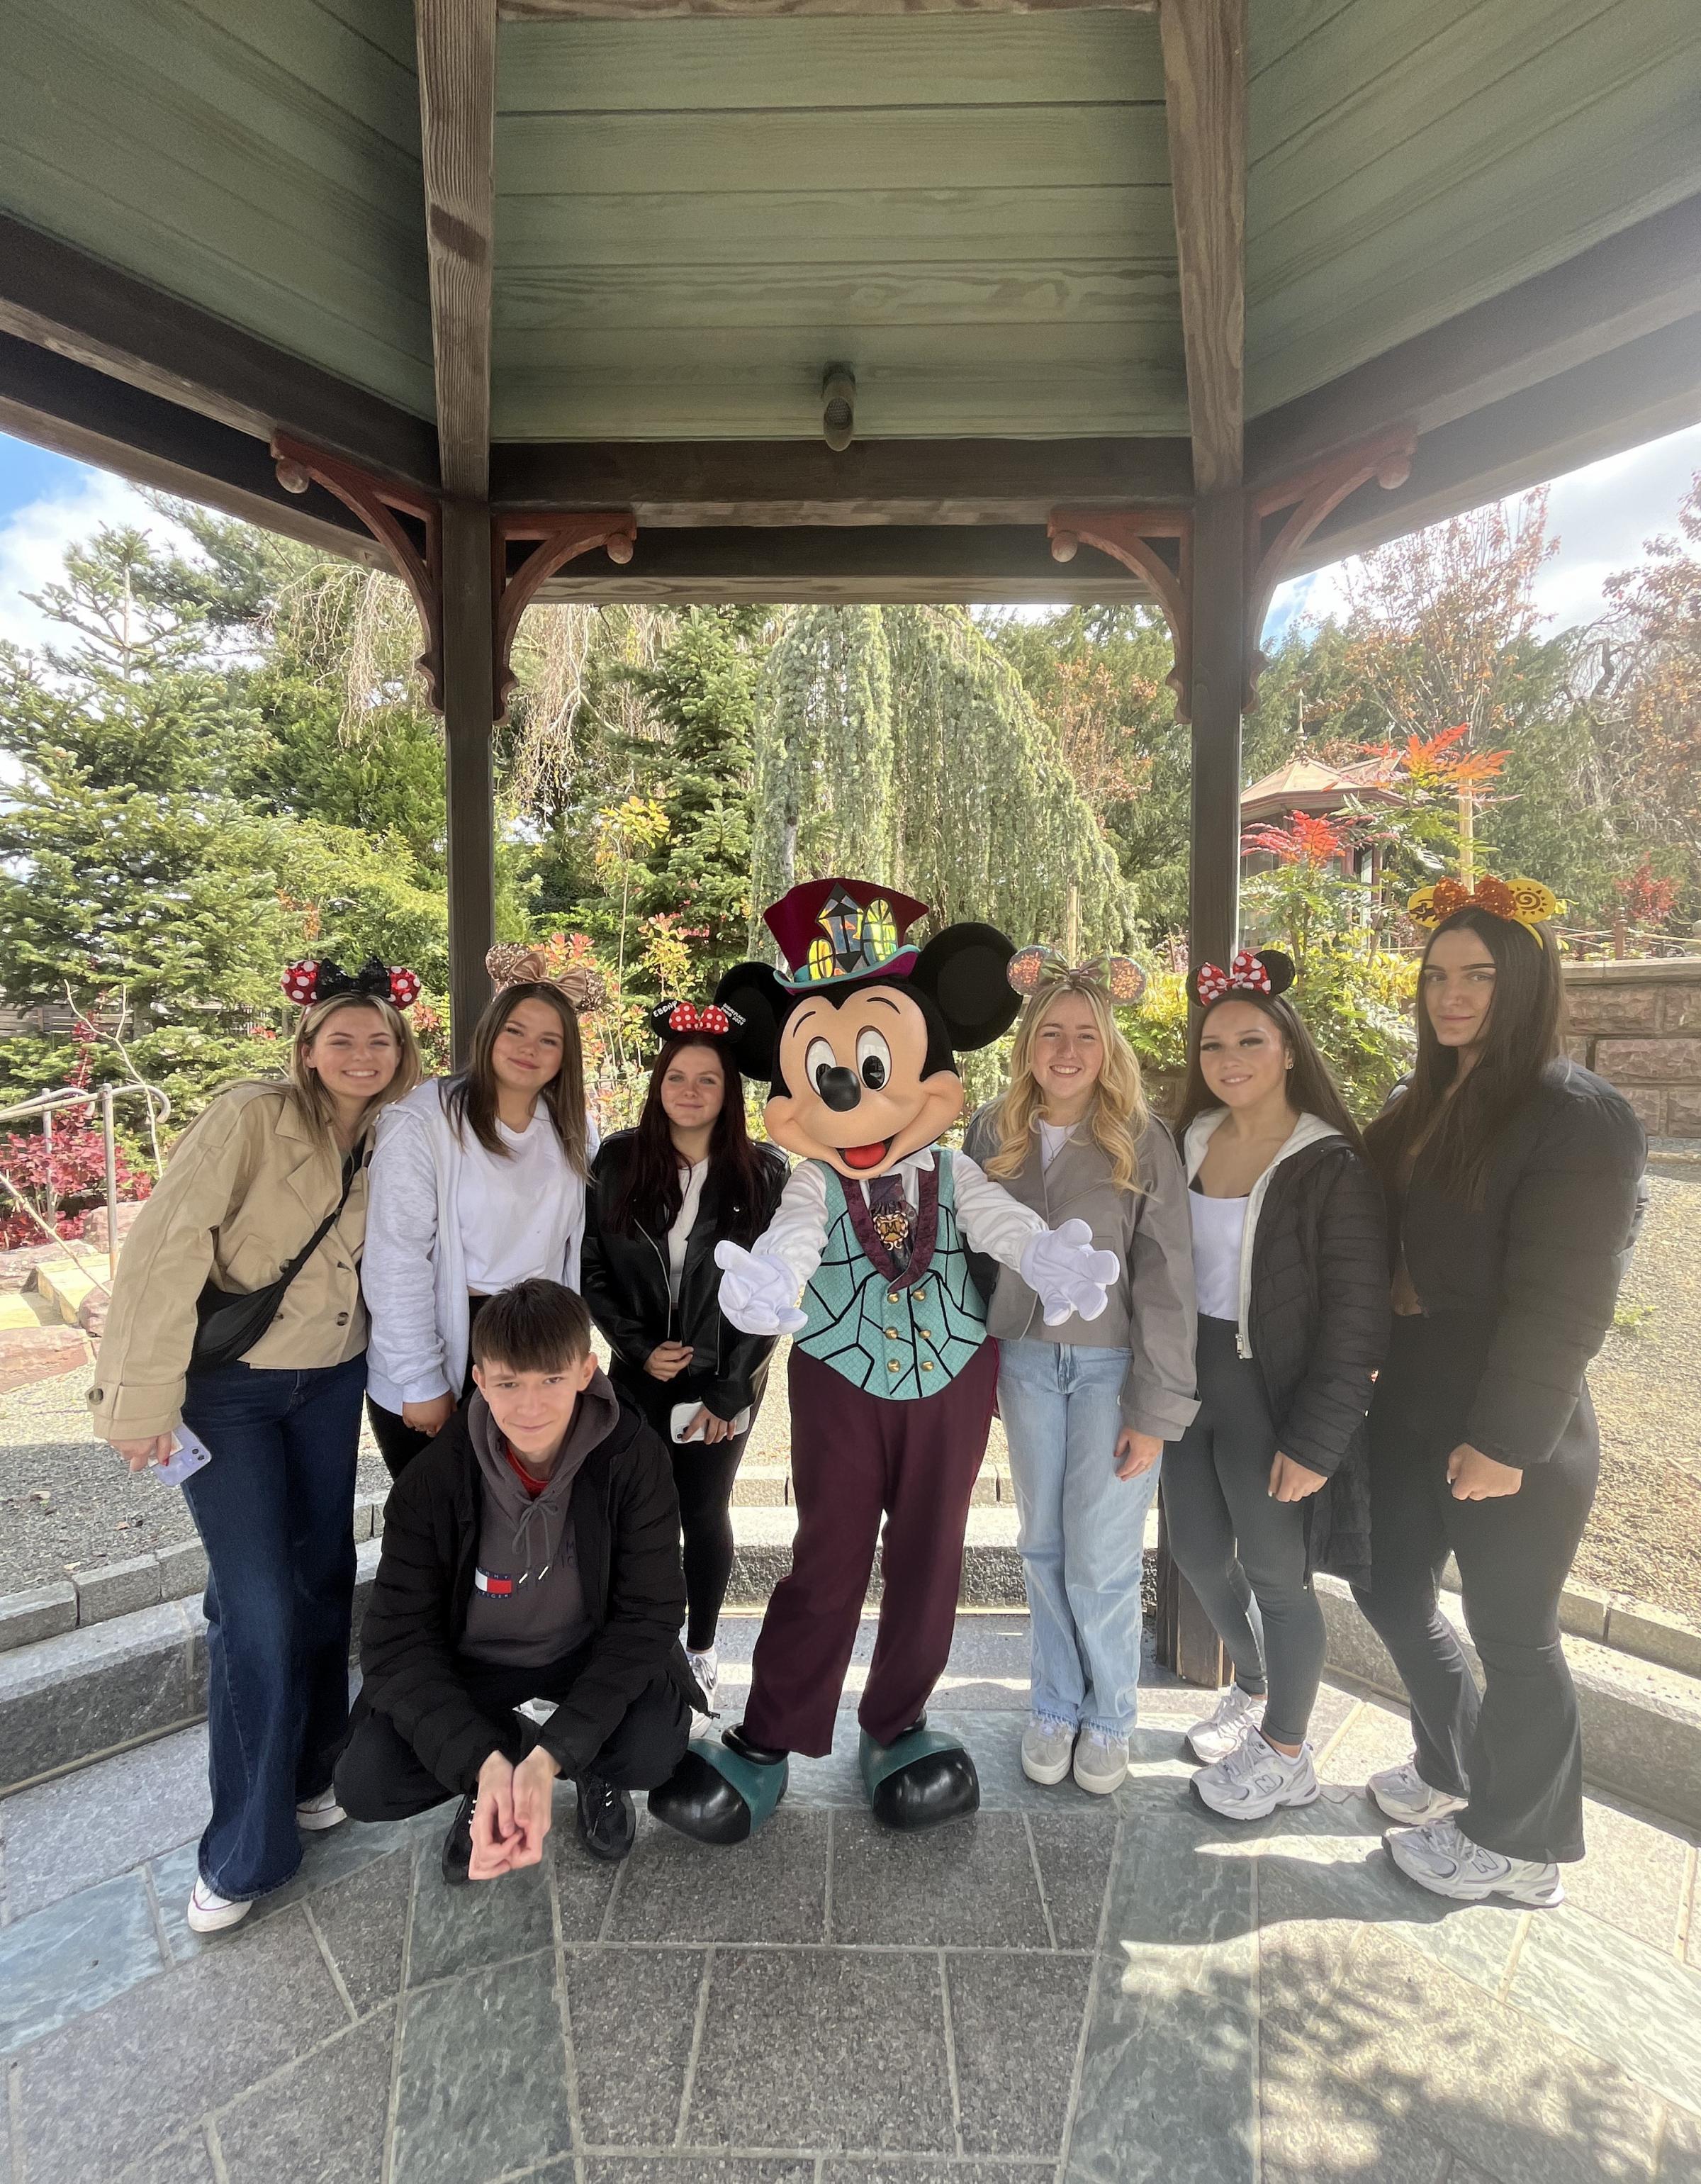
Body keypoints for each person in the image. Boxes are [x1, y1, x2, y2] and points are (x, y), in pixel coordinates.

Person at [647, 880, 1118, 1849]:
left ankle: (897, 1723)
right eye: (828, 1075)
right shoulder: (814, 1177)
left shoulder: (954, 1170)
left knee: (931, 1558)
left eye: (876, 1067)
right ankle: (771, 1735)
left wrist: (1050, 1257)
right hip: (840, 1383)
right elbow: (797, 1232)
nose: (856, 1097)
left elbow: (1002, 1221)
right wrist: (768, 1281)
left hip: (952, 1379)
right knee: (827, 1555)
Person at [89, 956, 422, 1932]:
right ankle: (241, 1847)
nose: (363, 1054)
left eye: (380, 1038)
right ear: (308, 1047)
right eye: (343, 1037)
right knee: (258, 1607)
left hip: (333, 1385)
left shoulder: (398, 1137)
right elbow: (168, 1245)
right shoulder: (248, 1117)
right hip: (230, 1396)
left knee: (324, 1575)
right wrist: (141, 1397)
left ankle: (316, 1770)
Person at [1354, 875, 1644, 1908]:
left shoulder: (1576, 1116)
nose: (1452, 994)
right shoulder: (1424, 1104)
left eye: (1478, 975)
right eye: (1437, 975)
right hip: (1412, 1392)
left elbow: (1568, 1300)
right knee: (1389, 1587)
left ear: (1526, 981)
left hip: (1511, 1411)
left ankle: (1523, 1845)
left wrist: (1507, 1438)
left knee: (1513, 1631)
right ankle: (1453, 1762)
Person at [335, 1278, 697, 1878]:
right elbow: (396, 1644)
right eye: (508, 1384)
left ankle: (589, 1766)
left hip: (585, 1647)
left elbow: (650, 1615)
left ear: (585, 1371)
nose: (530, 1408)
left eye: (551, 1381)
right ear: (479, 1379)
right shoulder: (431, 1482)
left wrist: (559, 1753)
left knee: (654, 1743)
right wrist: (482, 1759)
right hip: (471, 1661)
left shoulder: (634, 1459)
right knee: (366, 1780)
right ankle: (498, 1757)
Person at [962, 946, 1198, 1796]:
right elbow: (970, 1247)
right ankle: (1055, 1702)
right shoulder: (993, 1130)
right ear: (1027, 1043)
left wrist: (1158, 1404)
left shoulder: (1141, 1138)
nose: (1067, 1051)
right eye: (1051, 1033)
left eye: (1085, 1037)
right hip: (1026, 1361)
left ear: (1108, 1049)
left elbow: (1169, 1275)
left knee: (1101, 1553)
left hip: (1111, 1370)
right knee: (1042, 1543)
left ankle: (1112, 1714)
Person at [1164, 947, 1388, 1820]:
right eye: (1214, 1046)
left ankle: (1289, 1752)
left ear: (1289, 1048)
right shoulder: (1190, 1139)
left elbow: (1357, 1321)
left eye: (1250, 1041)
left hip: (1272, 1398)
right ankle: (1252, 1689)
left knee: (1276, 1575)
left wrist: (1316, 1441)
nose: (1230, 1061)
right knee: (1193, 1556)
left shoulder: (1329, 1164)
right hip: (1189, 1386)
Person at [580, 1001, 789, 1715]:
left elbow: (773, 1292)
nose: (691, 1091)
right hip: (638, 1378)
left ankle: (701, 1646)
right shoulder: (615, 1160)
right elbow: (592, 1269)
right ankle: (641, 1645)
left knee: (703, 1509)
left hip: (723, 1380)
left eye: (708, 1079)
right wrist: (634, 1348)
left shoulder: (763, 1174)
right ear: (658, 1083)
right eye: (678, 1076)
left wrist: (733, 1389)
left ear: (729, 1091)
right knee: (636, 1512)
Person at [363, 946, 602, 1477]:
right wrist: (422, 1378)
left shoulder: (572, 1131)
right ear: (489, 1031)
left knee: (521, 1514)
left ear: (567, 1055)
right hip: (447, 1332)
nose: (529, 1049)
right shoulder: (425, 1121)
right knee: (443, 1520)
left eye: (549, 1039)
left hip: (535, 1341)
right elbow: (396, 1256)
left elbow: (574, 1251)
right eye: (515, 1031)